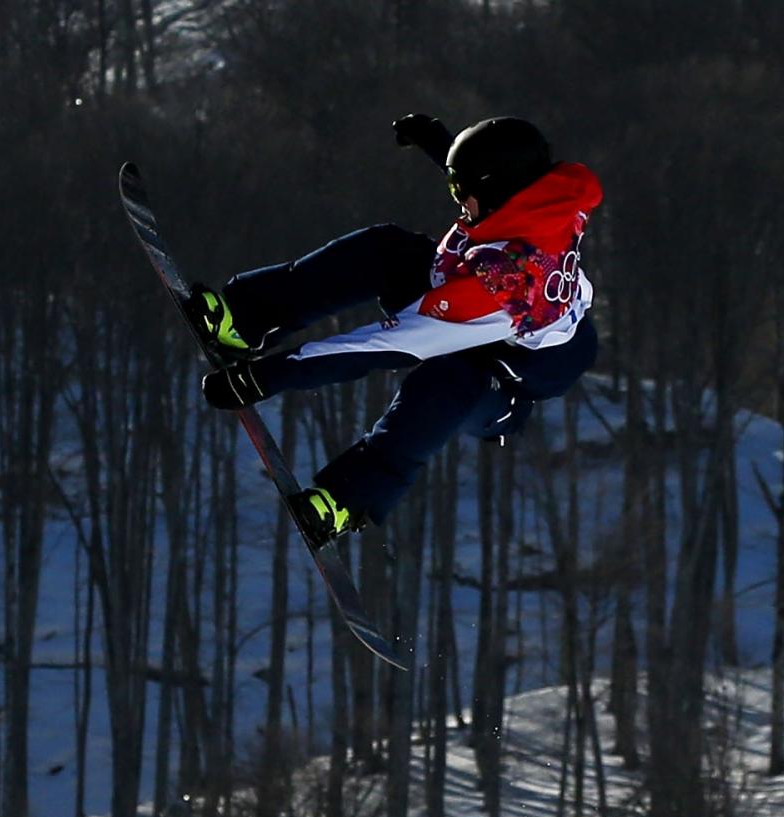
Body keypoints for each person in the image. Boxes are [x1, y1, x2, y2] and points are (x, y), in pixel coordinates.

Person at [184, 114, 599, 544]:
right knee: (385, 250)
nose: (459, 202)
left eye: (461, 191)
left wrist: (267, 377)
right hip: (482, 304)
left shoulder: (501, 290)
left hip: (505, 387)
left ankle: (347, 500)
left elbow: (380, 345)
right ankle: (245, 320)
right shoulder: (547, 199)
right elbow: (501, 184)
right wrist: (444, 147)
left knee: (446, 382)